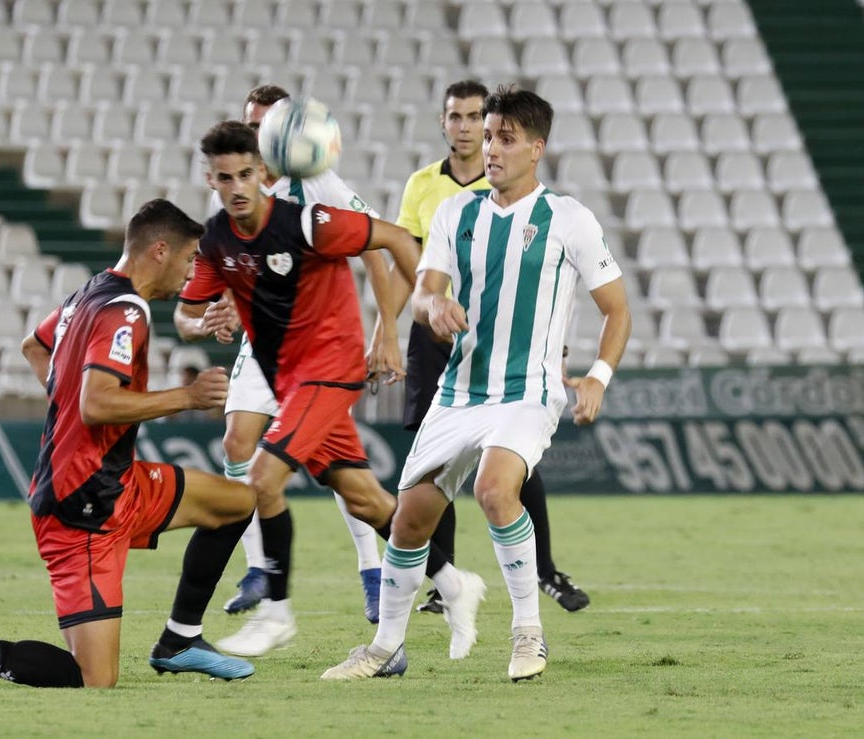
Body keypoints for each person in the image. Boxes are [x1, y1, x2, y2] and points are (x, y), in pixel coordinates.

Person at [0, 199, 259, 689]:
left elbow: (35, 346)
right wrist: (187, 395)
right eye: (189, 258)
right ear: (160, 251)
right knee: (95, 679)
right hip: (81, 509)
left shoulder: (88, 294)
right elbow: (96, 405)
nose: (191, 271)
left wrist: (69, 407)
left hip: (119, 484)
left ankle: (180, 639)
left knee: (238, 502)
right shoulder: (126, 312)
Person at [325, 86, 631, 682]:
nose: (491, 148)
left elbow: (617, 309)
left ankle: (528, 634)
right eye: (489, 135)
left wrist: (597, 376)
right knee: (410, 518)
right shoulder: (454, 213)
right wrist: (432, 306)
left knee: (495, 490)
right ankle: (385, 648)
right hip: (460, 389)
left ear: (536, 148)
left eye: (505, 138)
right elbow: (423, 291)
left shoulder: (567, 219)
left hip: (529, 390)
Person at [176, 121, 485, 661]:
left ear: (264, 172)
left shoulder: (309, 222)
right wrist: (205, 321)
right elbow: (184, 315)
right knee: (367, 501)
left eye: (247, 174)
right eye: (226, 178)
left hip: (331, 367)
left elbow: (390, 236)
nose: (238, 186)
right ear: (212, 180)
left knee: (262, 479)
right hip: (289, 379)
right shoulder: (217, 240)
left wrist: (427, 304)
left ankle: (276, 613)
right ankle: (456, 584)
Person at [374, 79, 592, 615]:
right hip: (440, 343)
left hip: (512, 349)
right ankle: (442, 579)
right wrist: (392, 323)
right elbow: (412, 264)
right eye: (459, 118)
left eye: (480, 120)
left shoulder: (543, 206)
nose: (472, 130)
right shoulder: (427, 189)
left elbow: (547, 282)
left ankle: (542, 571)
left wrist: (559, 347)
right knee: (434, 466)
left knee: (510, 467)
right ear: (445, 123)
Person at [200, 85, 393, 624]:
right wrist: (222, 308)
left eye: (265, 128)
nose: (257, 139)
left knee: (332, 465)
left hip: (316, 349)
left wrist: (386, 330)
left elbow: (377, 247)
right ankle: (260, 566)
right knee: (238, 438)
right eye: (251, 126)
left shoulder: (317, 183)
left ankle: (372, 570)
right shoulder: (230, 192)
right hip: (265, 346)